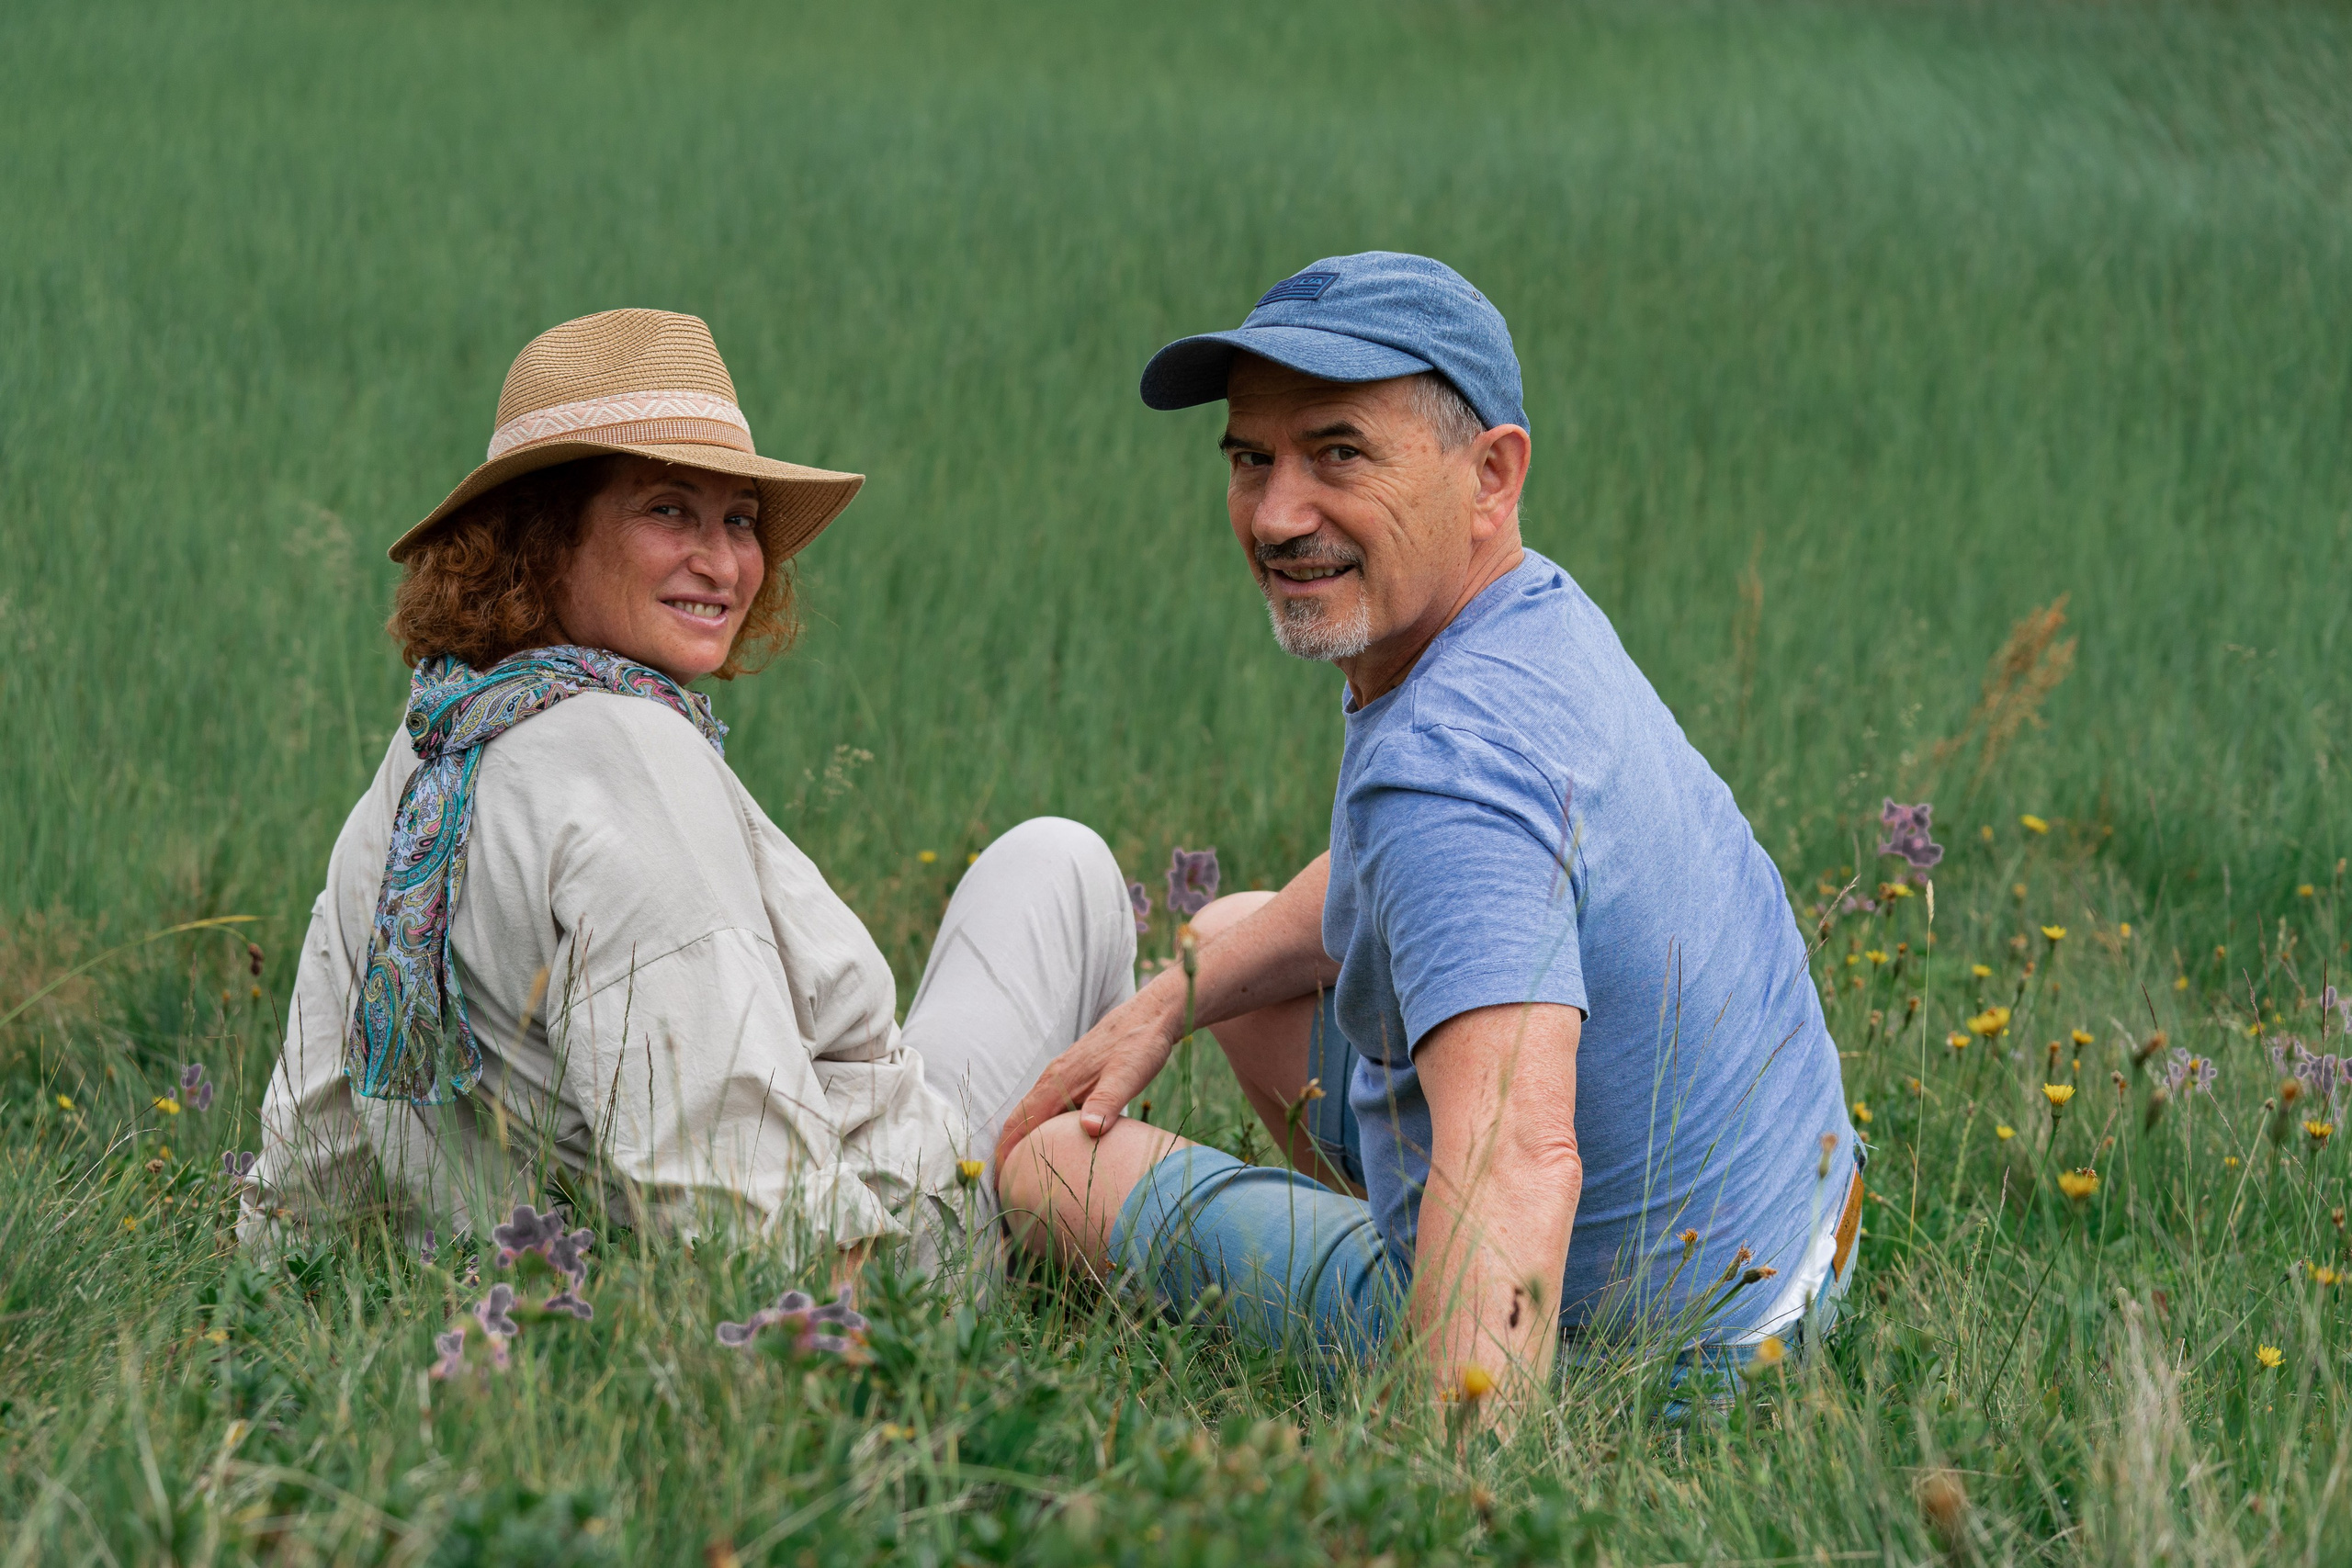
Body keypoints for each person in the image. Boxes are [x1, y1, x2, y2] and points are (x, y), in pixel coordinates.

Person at [997, 254, 1861, 1412]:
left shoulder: (1448, 773)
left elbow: (1520, 1159)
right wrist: (1163, 1005)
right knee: (1232, 941)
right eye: (1252, 459)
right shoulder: (1528, 617)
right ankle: (1416, 1247)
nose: (1276, 513)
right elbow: (1383, 874)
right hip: (1800, 1257)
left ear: (1490, 475)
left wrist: (1463, 1486)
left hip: (1647, 1369)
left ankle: (1428, 1306)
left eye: (1339, 452)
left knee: (1047, 1168)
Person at [244, 310, 1138, 1272]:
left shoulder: (438, 740)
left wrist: (286, 1277)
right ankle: (1083, 1240)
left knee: (1045, 865)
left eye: (739, 520)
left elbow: (324, 1088)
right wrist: (849, 1346)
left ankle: (1080, 1213)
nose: (723, 562)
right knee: (1064, 867)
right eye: (669, 509)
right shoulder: (629, 756)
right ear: (544, 536)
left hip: (518, 1280)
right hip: (880, 1270)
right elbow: (732, 1169)